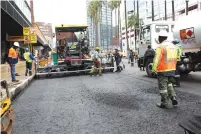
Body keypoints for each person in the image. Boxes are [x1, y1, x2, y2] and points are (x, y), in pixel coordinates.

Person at [152, 30, 178, 108]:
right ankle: (173, 97)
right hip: (172, 69)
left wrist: (153, 69)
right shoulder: (173, 46)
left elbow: (157, 59)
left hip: (163, 70)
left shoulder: (160, 46)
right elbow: (175, 58)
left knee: (163, 87)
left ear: (160, 38)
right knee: (170, 84)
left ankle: (164, 102)